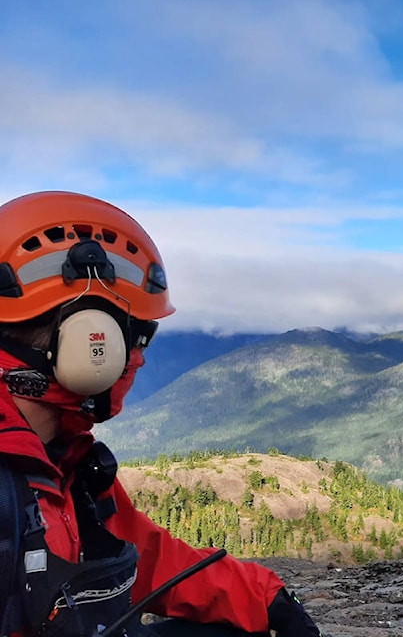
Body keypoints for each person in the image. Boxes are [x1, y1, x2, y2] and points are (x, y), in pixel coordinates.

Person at [0, 191, 321, 636]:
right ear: (91, 341)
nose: (140, 359)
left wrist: (265, 598)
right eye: (135, 339)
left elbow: (145, 556)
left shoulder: (66, 463)